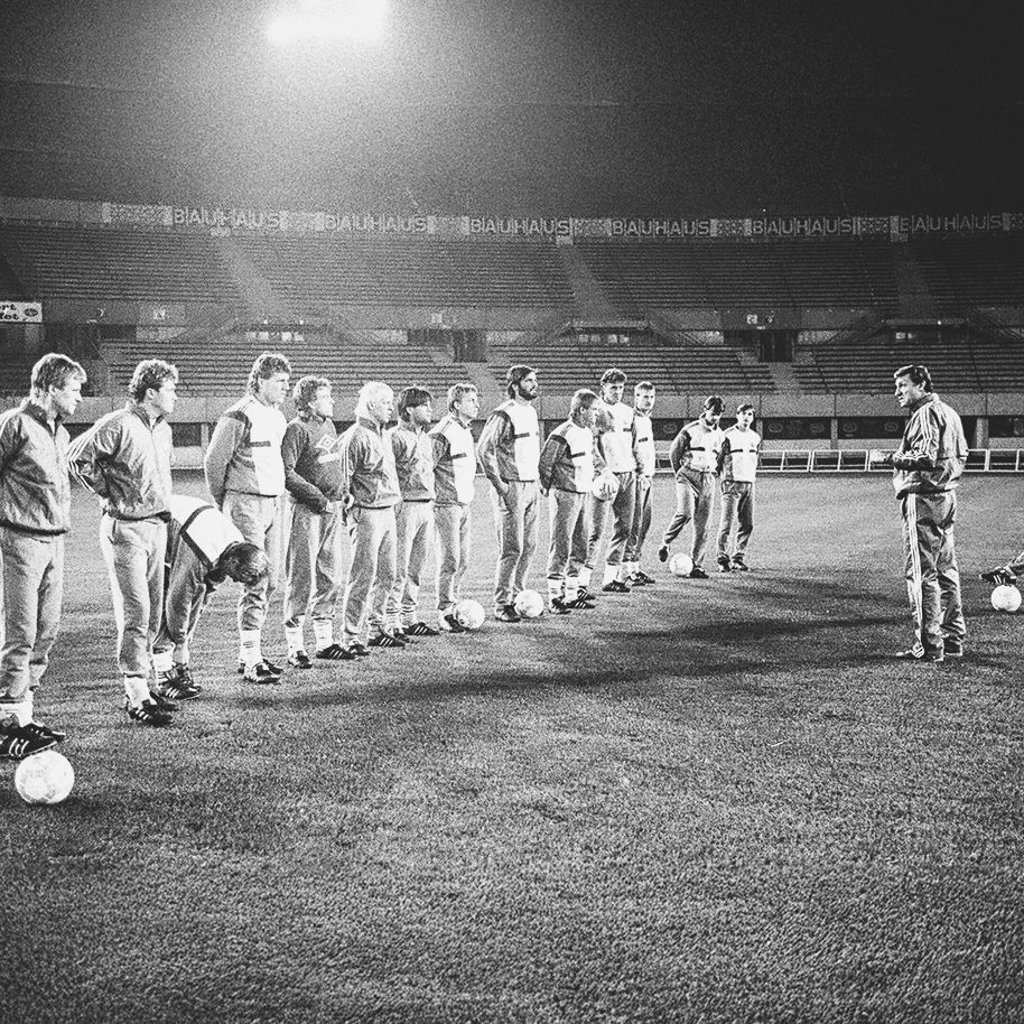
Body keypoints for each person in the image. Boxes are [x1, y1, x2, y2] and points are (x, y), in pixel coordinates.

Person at [69, 359, 179, 725]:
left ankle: (144, 686)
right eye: (170, 390)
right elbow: (77, 457)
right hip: (126, 529)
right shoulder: (118, 422)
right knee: (136, 612)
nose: (175, 396)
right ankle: (135, 695)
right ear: (151, 392)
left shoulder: (162, 429)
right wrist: (107, 490)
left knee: (153, 613)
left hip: (157, 527)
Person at [0, 353, 86, 759]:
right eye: (74, 390)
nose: (79, 398)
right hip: (20, 538)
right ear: (51, 389)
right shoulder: (14, 424)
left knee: (45, 631)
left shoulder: (60, 433)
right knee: (19, 631)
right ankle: (6, 724)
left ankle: (23, 715)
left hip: (54, 541)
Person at [204, 351, 291, 683]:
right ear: (260, 381)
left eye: (287, 381)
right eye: (279, 381)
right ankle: (253, 659)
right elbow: (214, 462)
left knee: (273, 579)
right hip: (246, 504)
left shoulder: (278, 417)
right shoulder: (239, 415)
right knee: (256, 578)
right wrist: (225, 502)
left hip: (274, 504)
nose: (286, 387)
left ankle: (248, 653)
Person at [886, 364, 968, 661]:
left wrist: (891, 458)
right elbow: (962, 454)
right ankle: (953, 640)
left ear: (921, 384)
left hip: (923, 497)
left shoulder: (924, 414)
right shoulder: (949, 412)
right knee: (947, 570)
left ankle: (929, 645)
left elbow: (925, 457)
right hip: (946, 496)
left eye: (903, 385)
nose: (897, 392)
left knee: (921, 573)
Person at [152, 494, 269, 697]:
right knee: (164, 601)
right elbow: (178, 601)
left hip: (180, 527)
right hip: (147, 527)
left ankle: (174, 669)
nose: (236, 581)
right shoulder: (203, 552)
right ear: (233, 562)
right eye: (240, 576)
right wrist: (180, 642)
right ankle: (163, 677)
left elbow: (203, 595)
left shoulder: (233, 549)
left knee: (189, 596)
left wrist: (185, 639)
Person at [281, 375, 351, 667]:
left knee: (330, 575)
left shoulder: (328, 425)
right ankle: (295, 646)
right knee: (301, 576)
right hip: (307, 511)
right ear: (310, 402)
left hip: (332, 510)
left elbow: (332, 464)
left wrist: (343, 491)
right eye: (325, 396)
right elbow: (287, 473)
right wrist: (319, 499)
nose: (331, 401)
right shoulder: (295, 429)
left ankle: (325, 641)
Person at [338, 381, 402, 653]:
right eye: (386, 402)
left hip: (387, 511)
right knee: (363, 576)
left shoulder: (383, 434)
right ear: (371, 405)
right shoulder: (355, 436)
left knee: (388, 574)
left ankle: (377, 628)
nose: (391, 407)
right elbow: (343, 479)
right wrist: (350, 510)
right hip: (367, 513)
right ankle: (351, 636)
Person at [476, 364, 541, 622]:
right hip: (512, 486)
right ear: (514, 386)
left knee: (530, 546)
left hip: (531, 485)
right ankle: (502, 604)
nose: (534, 385)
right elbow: (484, 449)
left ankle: (518, 597)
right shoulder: (504, 414)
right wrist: (500, 485)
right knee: (512, 548)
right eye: (528, 381)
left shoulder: (532, 412)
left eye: (534, 380)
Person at [539, 389, 601, 614]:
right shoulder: (562, 433)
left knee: (580, 545)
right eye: (594, 409)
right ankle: (555, 597)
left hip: (583, 493)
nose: (597, 414)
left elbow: (591, 458)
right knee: (561, 544)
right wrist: (549, 487)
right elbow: (545, 462)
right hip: (565, 493)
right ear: (582, 410)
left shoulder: (587, 432)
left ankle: (572, 594)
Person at [581, 368, 641, 595]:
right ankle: (581, 582)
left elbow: (634, 443)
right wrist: (602, 471)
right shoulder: (597, 412)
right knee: (595, 532)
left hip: (627, 475)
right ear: (603, 387)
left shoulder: (628, 412)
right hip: (605, 477)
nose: (618, 391)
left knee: (624, 528)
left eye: (621, 387)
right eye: (613, 387)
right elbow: (591, 446)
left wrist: (637, 467)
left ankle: (610, 578)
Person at [387, 386, 439, 639]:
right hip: (405, 506)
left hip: (426, 505)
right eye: (424, 405)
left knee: (417, 567)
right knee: (398, 567)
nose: (430, 410)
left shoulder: (426, 437)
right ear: (409, 409)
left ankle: (409, 617)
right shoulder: (394, 437)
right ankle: (391, 620)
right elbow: (388, 474)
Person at [658, 394, 726, 579]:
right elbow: (674, 452)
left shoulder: (720, 435)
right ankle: (666, 541)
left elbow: (719, 457)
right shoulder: (690, 430)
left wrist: (714, 472)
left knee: (703, 526)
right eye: (713, 413)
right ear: (705, 410)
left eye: (719, 414)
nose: (716, 417)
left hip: (708, 479)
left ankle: (697, 565)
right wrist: (679, 473)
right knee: (686, 512)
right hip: (687, 476)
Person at [430, 382, 479, 633]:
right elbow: (426, 466)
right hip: (446, 504)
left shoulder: (465, 430)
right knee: (450, 559)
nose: (477, 404)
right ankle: (444, 611)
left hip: (464, 504)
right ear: (456, 404)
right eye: (471, 400)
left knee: (463, 560)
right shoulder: (443, 431)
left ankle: (453, 602)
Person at [716, 402, 762, 572]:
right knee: (727, 524)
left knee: (747, 524)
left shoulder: (755, 437)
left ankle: (738, 558)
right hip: (731, 483)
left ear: (753, 417)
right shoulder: (727, 435)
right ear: (737, 416)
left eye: (750, 414)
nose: (746, 417)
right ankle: (722, 558)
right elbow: (718, 459)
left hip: (749, 484)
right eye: (743, 414)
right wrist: (723, 478)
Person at [624, 380, 658, 587]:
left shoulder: (647, 420)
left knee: (645, 523)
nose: (649, 400)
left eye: (652, 397)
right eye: (645, 396)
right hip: (637, 478)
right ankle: (626, 570)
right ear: (636, 397)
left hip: (648, 477)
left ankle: (636, 566)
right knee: (633, 525)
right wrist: (637, 473)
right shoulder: (632, 419)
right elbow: (629, 448)